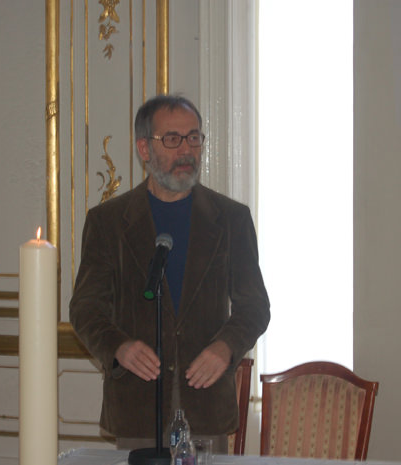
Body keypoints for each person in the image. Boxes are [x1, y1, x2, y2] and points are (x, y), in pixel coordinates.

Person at [69, 94, 270, 453]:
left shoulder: (231, 219)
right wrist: (119, 347)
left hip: (206, 406)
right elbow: (85, 308)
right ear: (144, 149)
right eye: (173, 139)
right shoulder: (107, 222)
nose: (187, 150)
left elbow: (254, 306)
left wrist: (225, 347)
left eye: (194, 137)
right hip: (138, 408)